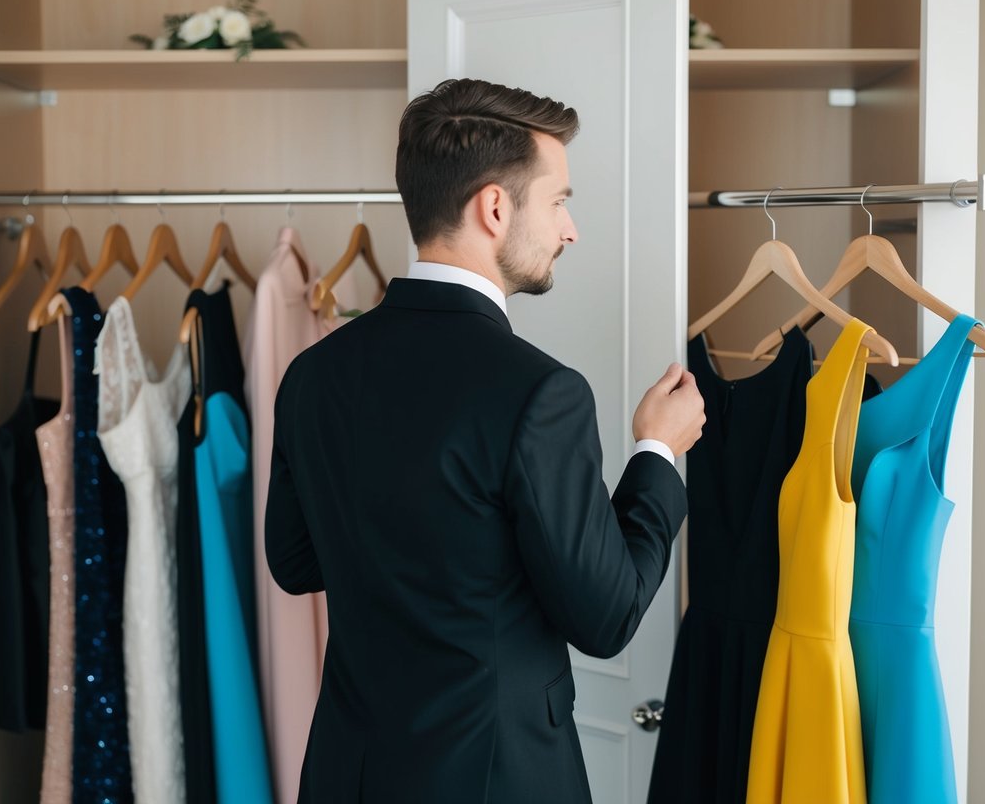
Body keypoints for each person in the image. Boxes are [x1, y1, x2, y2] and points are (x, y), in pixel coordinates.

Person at [265, 77, 705, 803]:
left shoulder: (314, 374)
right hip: (497, 781)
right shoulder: (540, 394)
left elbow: (294, 560)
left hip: (350, 775)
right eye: (559, 200)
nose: (570, 230)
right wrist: (656, 453)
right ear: (494, 208)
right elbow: (606, 616)